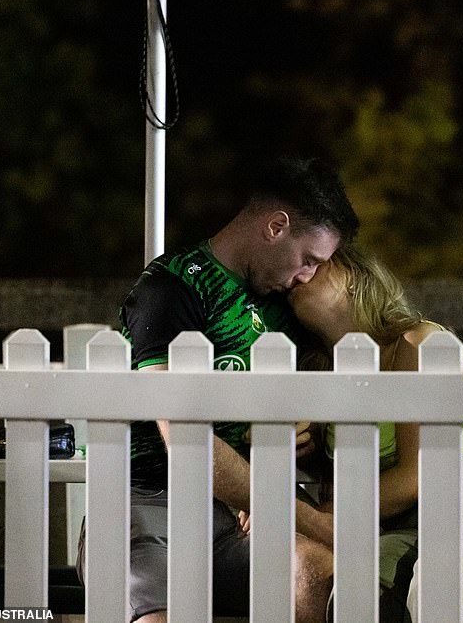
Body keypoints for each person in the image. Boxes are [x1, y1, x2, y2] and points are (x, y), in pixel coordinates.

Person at [77, 157, 359, 623]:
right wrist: (312, 520)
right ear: (276, 226)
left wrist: (304, 429)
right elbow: (187, 440)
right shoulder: (172, 286)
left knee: (323, 580)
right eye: (308, 259)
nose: (308, 276)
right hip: (145, 501)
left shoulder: (285, 306)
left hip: (243, 513)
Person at [285, 244, 463, 623]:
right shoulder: (328, 381)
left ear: (353, 277)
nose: (299, 272)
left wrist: (316, 513)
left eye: (316, 263)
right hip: (410, 528)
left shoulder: (416, 343)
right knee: (355, 599)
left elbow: (416, 476)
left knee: (443, 586)